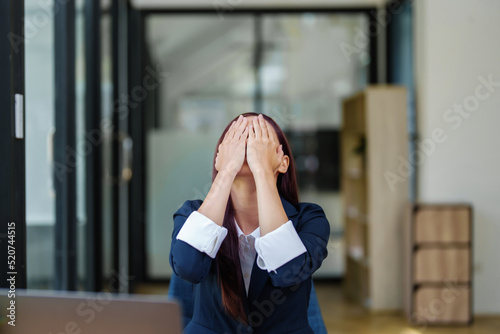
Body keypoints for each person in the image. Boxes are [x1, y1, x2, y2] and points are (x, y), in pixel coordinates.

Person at [170, 112, 330, 334]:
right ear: (220, 156)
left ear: (283, 163)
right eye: (238, 138)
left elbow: (287, 271)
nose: (248, 145)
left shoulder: (310, 219)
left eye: (259, 138)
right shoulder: (192, 214)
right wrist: (225, 172)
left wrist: (263, 171)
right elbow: (188, 267)